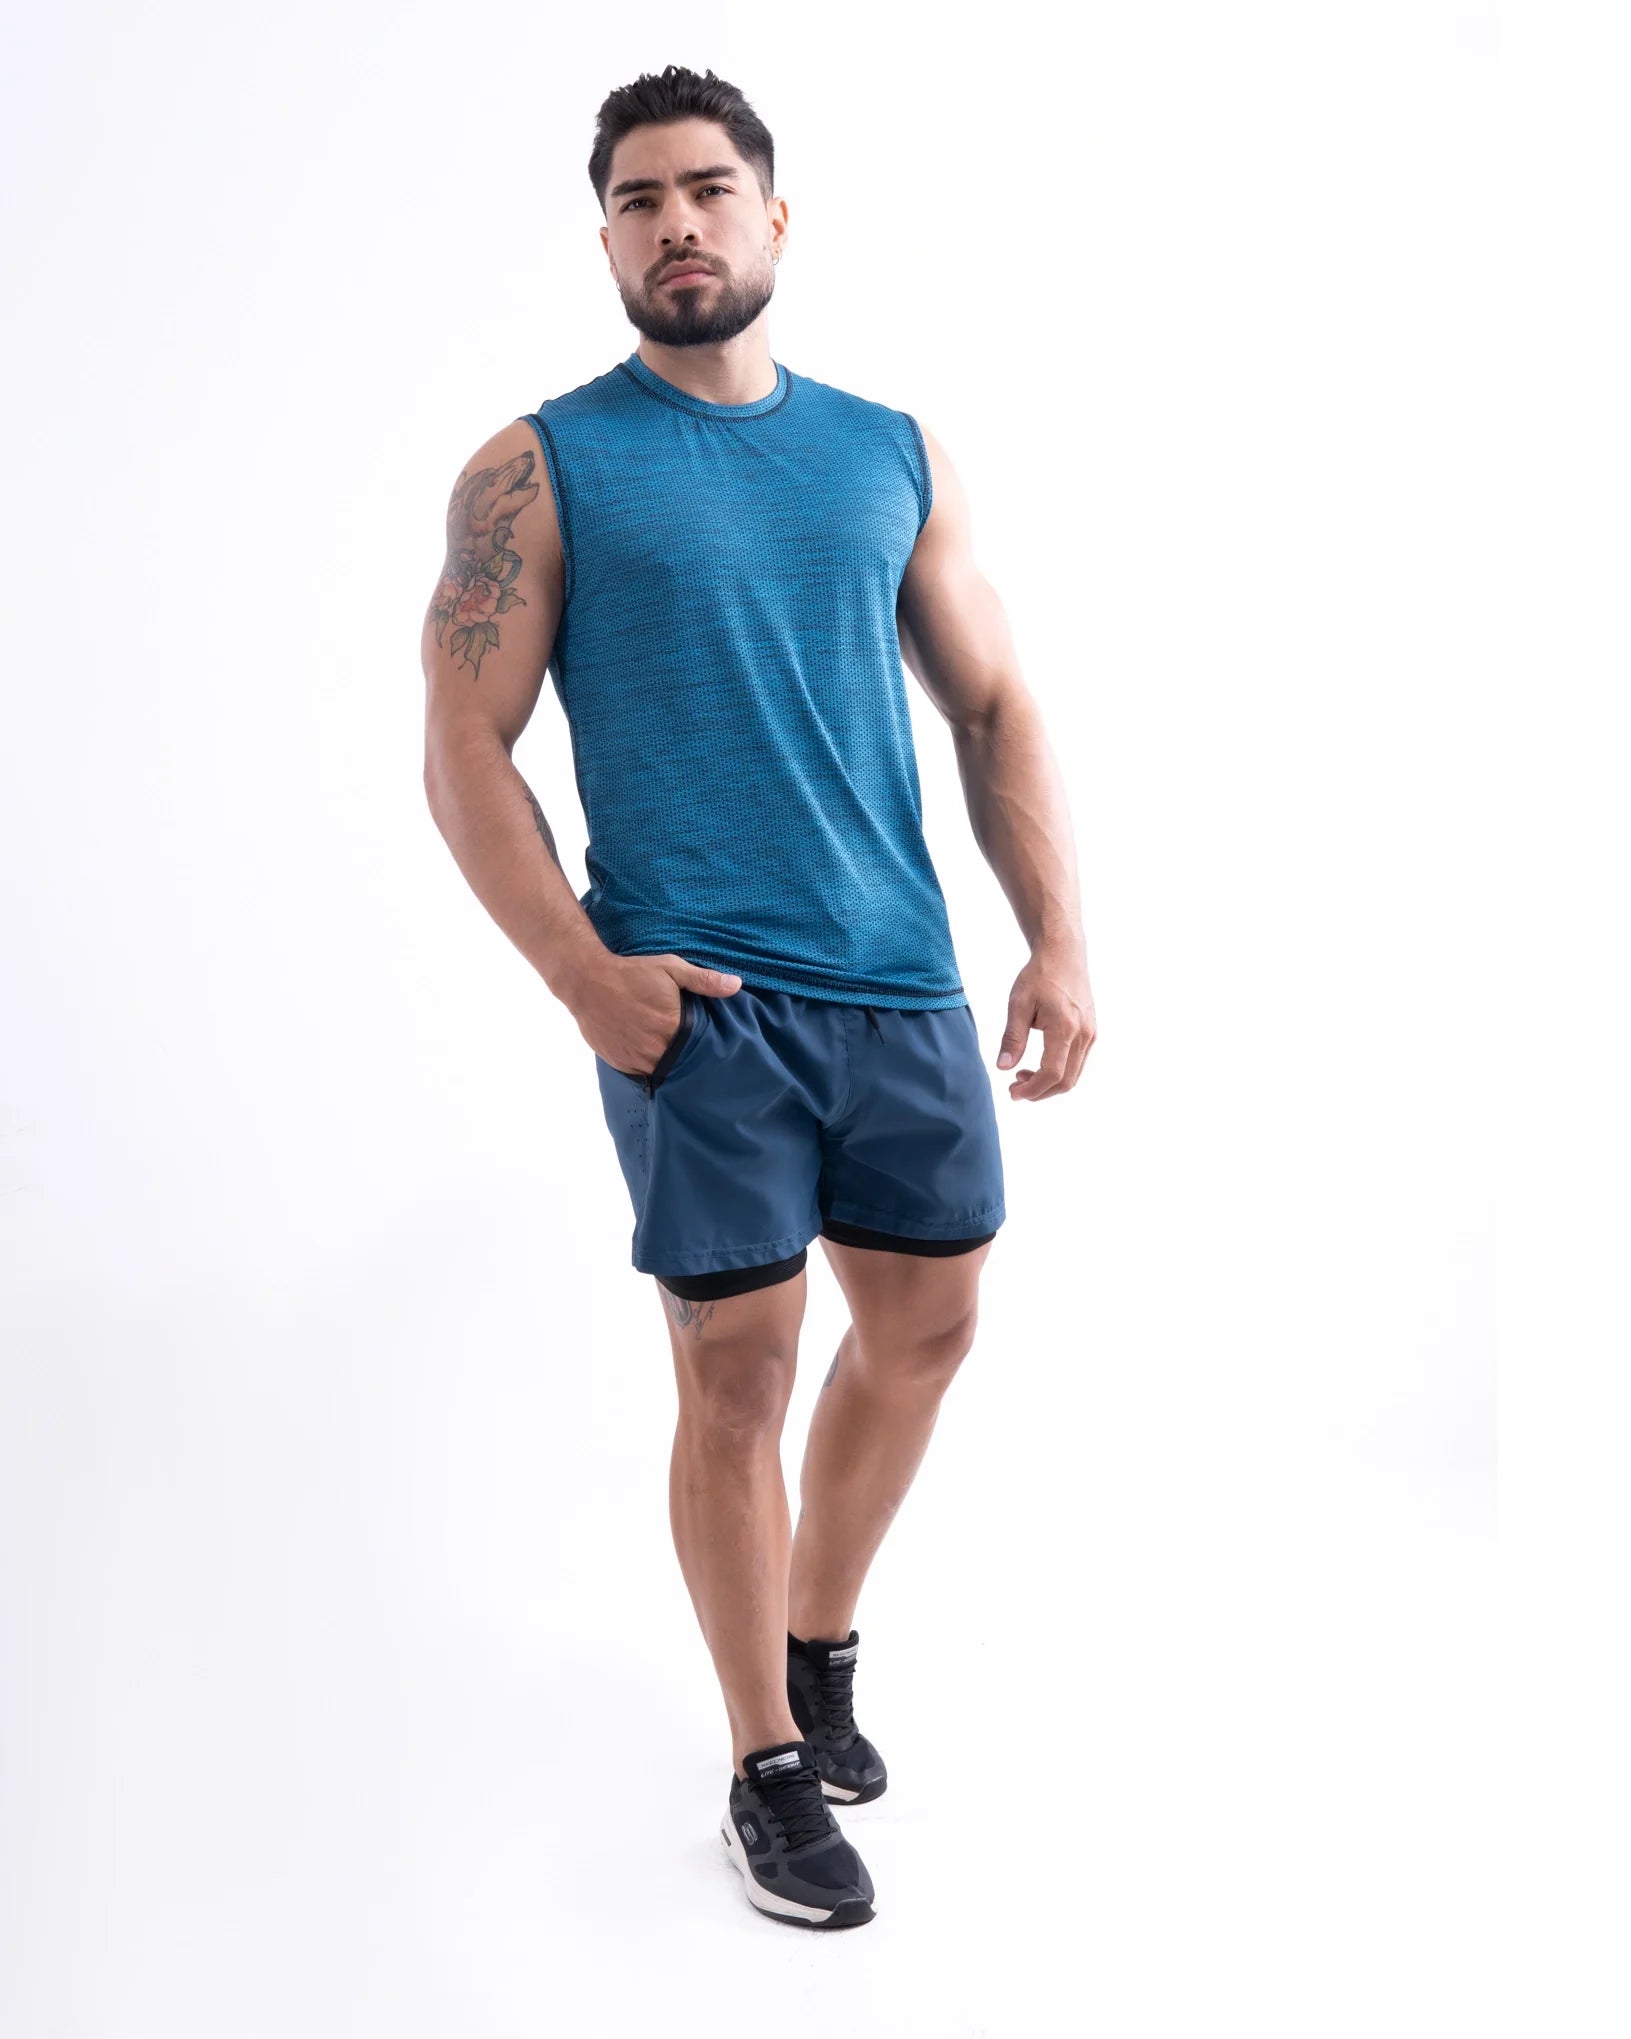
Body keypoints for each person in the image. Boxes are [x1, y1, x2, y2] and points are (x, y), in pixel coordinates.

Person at [421, 64, 1096, 1930]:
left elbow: (994, 705)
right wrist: (581, 972)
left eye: (708, 190)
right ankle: (765, 1767)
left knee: (931, 1333)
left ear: (774, 218)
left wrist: (1056, 936)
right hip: (699, 1000)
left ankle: (819, 1642)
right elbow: (463, 744)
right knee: (738, 1377)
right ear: (607, 241)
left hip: (899, 985)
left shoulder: (890, 450)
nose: (678, 225)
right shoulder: (539, 465)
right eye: (639, 201)